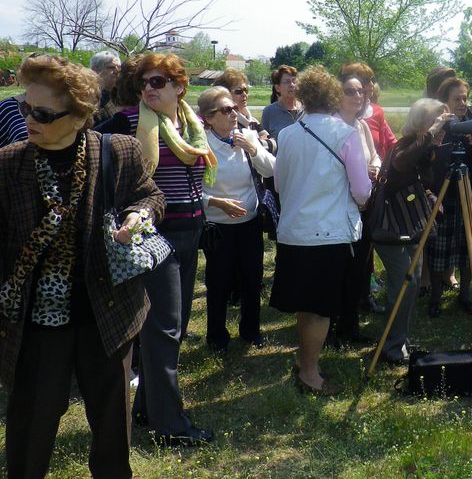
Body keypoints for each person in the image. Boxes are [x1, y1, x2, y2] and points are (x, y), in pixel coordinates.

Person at [0, 54, 165, 478]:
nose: (28, 119)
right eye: (25, 108)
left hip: (108, 313)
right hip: (37, 322)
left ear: (78, 116)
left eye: (42, 114)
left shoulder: (119, 151)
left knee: (112, 426)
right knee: (31, 424)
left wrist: (139, 214)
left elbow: (150, 195)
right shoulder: (8, 163)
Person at [100, 53, 217, 445]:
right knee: (164, 330)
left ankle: (148, 408)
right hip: (153, 237)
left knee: (174, 327)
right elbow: (92, 148)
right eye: (144, 82)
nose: (149, 88)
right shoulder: (128, 123)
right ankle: (171, 427)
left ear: (179, 86)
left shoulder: (193, 125)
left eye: (158, 81)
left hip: (190, 233)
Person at [269, 65, 371, 394]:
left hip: (294, 230)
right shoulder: (345, 134)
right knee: (320, 310)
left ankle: (305, 363)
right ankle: (310, 374)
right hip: (327, 232)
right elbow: (362, 191)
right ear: (332, 96)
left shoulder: (287, 134)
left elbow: (279, 184)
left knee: (307, 306)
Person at [373, 98, 453, 364]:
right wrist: (431, 135)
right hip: (391, 228)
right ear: (421, 123)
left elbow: (421, 180)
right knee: (403, 286)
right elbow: (401, 165)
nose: (441, 127)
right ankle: (391, 347)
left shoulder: (425, 150)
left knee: (413, 282)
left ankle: (401, 340)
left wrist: (429, 194)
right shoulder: (405, 145)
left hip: (411, 225)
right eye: (436, 121)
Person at [197, 86, 275, 352]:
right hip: (218, 226)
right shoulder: (200, 145)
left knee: (252, 278)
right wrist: (217, 203)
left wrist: (254, 149)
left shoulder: (247, 135)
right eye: (226, 110)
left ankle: (251, 331)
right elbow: (192, 190)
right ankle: (217, 336)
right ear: (209, 118)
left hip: (250, 223)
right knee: (219, 281)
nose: (234, 113)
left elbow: (271, 170)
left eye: (234, 108)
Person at [428, 77, 472, 317]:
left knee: (469, 248)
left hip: (470, 193)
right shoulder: (438, 124)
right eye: (457, 99)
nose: (463, 103)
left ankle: (465, 295)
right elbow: (428, 160)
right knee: (438, 247)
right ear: (445, 101)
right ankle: (435, 296)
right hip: (444, 196)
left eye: (465, 98)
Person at [330, 73, 381, 346]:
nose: (358, 96)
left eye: (361, 91)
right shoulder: (333, 127)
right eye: (350, 91)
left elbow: (375, 155)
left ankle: (350, 326)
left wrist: (375, 167)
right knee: (339, 271)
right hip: (340, 208)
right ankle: (331, 327)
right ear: (337, 95)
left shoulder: (360, 125)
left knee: (359, 269)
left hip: (364, 206)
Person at [340, 62, 396, 161]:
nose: (371, 84)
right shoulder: (336, 115)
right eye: (366, 80)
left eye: (372, 79)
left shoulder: (377, 111)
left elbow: (389, 142)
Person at [212, 68, 275, 154]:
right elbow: (241, 150)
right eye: (238, 91)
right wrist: (260, 142)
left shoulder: (252, 120)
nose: (244, 94)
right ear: (224, 94)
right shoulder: (228, 122)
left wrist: (252, 144)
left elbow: (274, 144)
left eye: (246, 90)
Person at [261, 64, 302, 142]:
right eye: (287, 82)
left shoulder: (306, 110)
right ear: (278, 88)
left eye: (294, 81)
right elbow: (264, 141)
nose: (292, 85)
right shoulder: (269, 112)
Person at [89, 50, 122, 126]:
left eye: (119, 68)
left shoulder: (123, 96)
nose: (117, 71)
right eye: (112, 67)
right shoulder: (88, 96)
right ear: (95, 70)